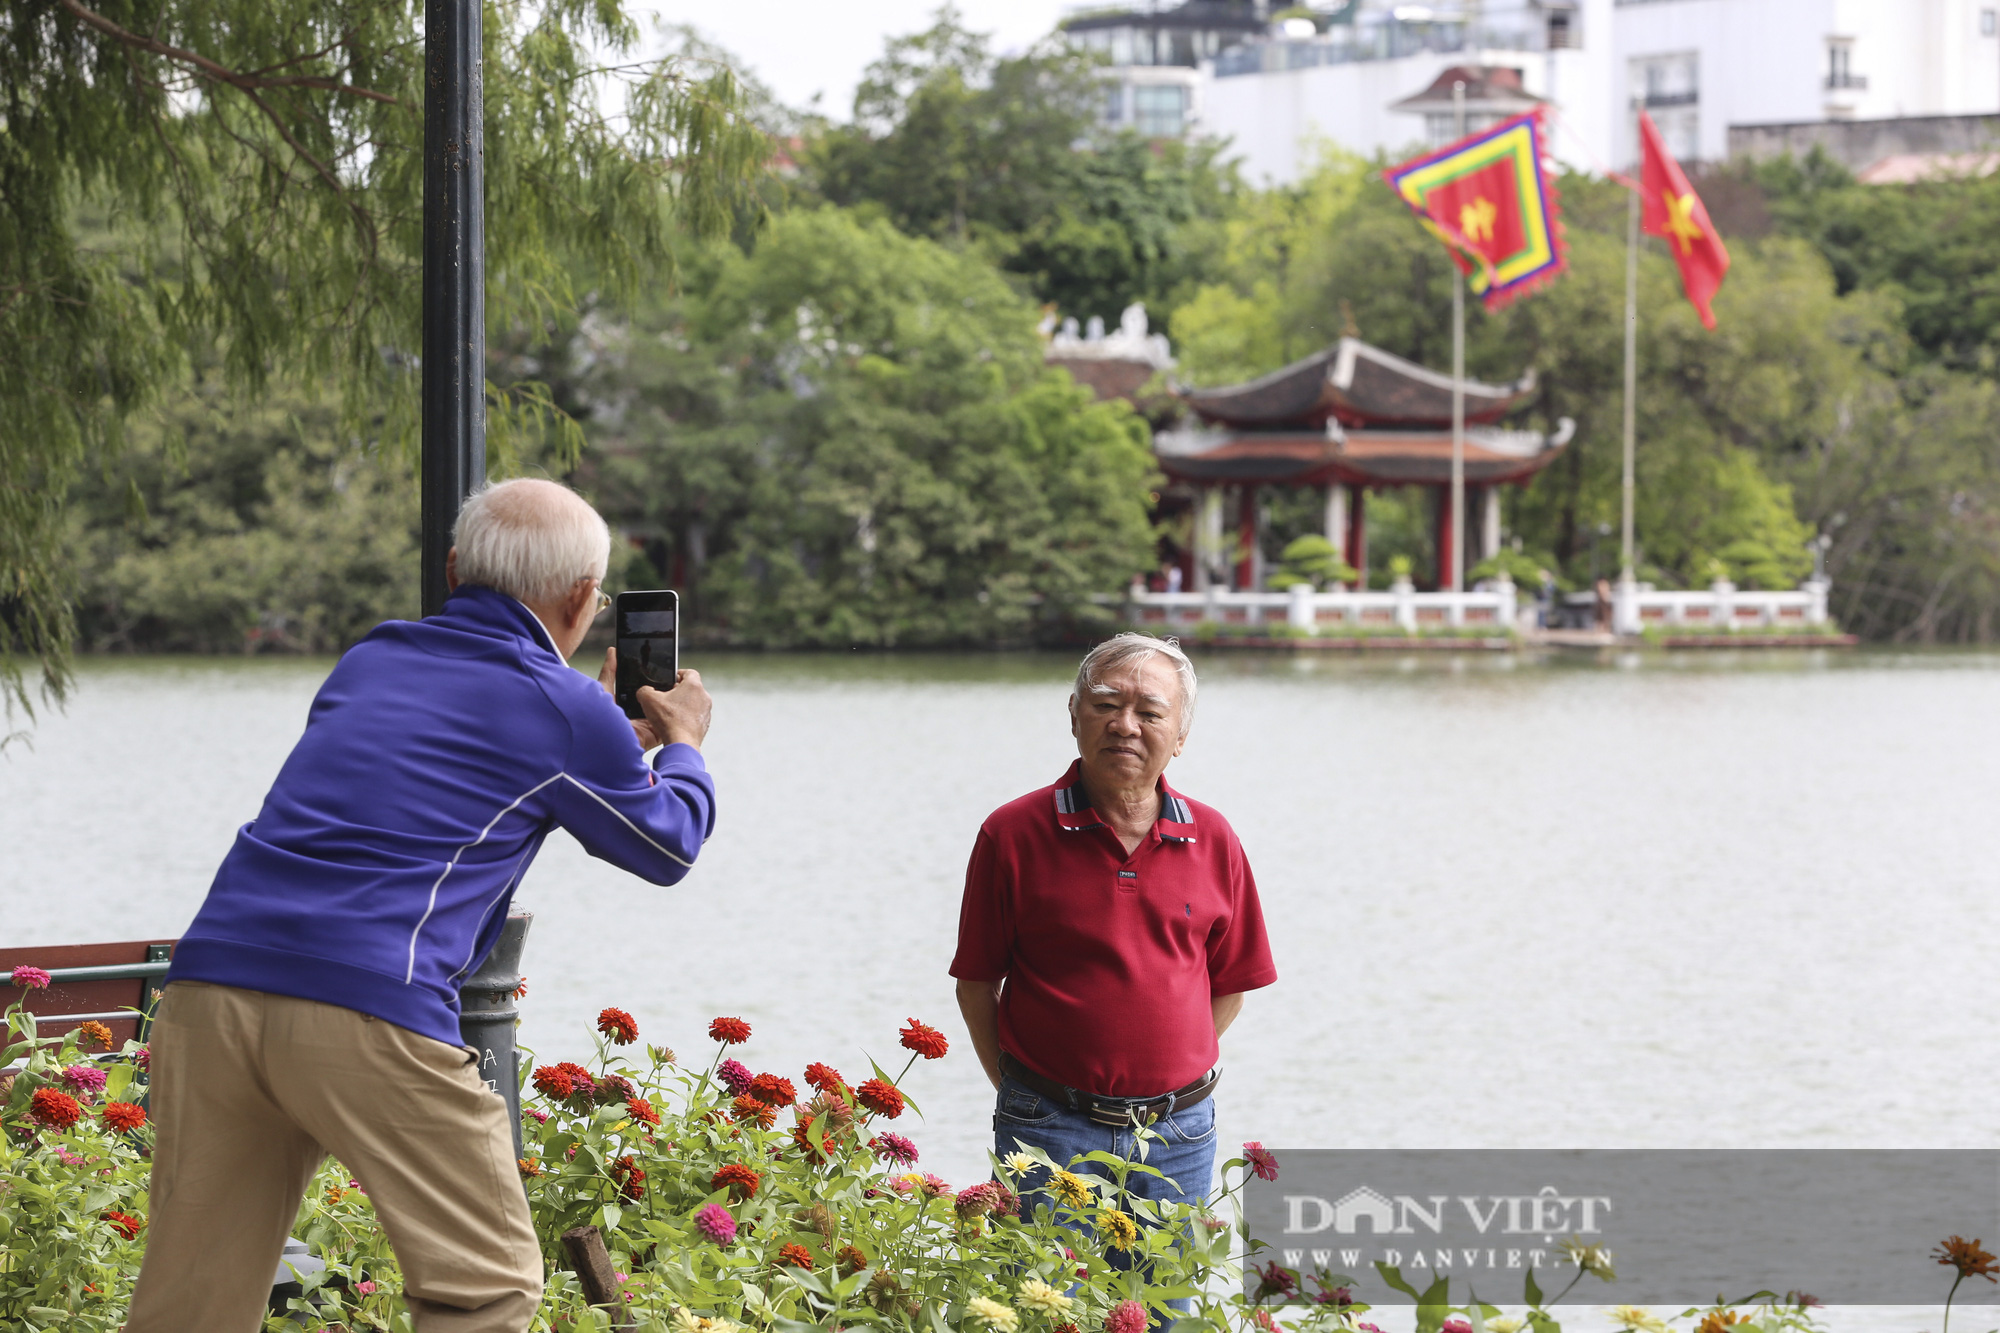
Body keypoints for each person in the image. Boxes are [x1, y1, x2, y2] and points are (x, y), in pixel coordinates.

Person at [126, 479, 717, 1333]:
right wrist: (685, 746)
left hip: (211, 987)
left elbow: (442, 762)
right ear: (584, 596)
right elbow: (667, 846)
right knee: (484, 1285)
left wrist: (598, 736)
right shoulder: (568, 707)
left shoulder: (373, 657)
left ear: (452, 568)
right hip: (366, 1003)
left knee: (194, 1303)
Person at [950, 633, 1276, 1245]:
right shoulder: (1012, 833)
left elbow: (1231, 984)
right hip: (1047, 1126)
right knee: (1045, 1303)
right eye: (1105, 705)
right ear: (1074, 717)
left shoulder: (1215, 838)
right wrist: (1026, 1093)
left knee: (1165, 1311)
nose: (1125, 725)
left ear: (1180, 736)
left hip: (1179, 1134)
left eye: (1150, 712)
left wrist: (1164, 1070)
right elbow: (976, 983)